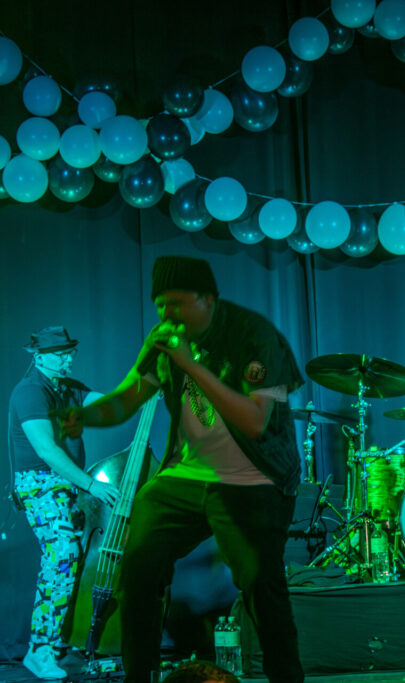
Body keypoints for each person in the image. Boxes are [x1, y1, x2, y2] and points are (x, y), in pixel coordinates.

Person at [59, 256, 305, 683]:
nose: (166, 314)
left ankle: (286, 678)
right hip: (187, 474)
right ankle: (139, 677)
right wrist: (84, 417)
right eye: (160, 305)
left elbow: (254, 421)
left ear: (207, 300)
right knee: (137, 567)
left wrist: (190, 363)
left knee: (260, 580)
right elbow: (128, 398)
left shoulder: (256, 336)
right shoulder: (166, 341)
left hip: (253, 475)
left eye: (176, 303)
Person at [8, 326, 119, 680]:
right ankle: (39, 650)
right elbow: (46, 450)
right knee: (62, 553)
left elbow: (109, 403)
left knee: (74, 560)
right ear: (39, 357)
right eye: (60, 354)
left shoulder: (68, 387)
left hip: (66, 484)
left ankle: (59, 642)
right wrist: (90, 484)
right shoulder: (30, 391)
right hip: (39, 483)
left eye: (70, 352)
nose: (68, 358)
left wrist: (147, 391)